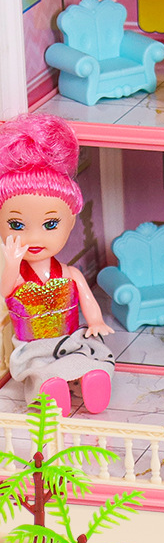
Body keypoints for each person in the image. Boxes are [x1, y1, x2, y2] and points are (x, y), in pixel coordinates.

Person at [0, 114, 114, 415]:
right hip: (34, 345)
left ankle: (93, 379)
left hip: (70, 337)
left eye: (50, 224)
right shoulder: (18, 275)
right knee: (41, 371)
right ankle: (50, 391)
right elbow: (6, 290)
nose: (34, 237)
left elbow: (86, 300)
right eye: (16, 225)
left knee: (91, 357)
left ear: (70, 221)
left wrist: (96, 321)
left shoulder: (69, 273)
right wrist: (11, 262)